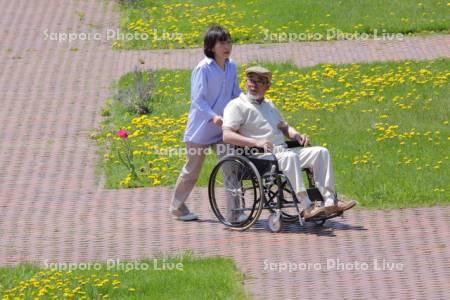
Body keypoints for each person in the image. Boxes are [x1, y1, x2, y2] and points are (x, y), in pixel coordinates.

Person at [222, 66, 356, 220]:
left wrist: (297, 136)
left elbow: (284, 127)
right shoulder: (236, 105)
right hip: (259, 156)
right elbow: (227, 135)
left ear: (267, 86)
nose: (253, 85)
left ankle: (330, 201)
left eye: (259, 82)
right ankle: (307, 206)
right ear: (245, 82)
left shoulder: (269, 105)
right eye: (251, 80)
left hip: (281, 152)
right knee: (289, 157)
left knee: (321, 152)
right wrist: (255, 142)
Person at [169, 25, 241, 221]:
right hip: (200, 130)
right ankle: (177, 207)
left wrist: (251, 105)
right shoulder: (203, 69)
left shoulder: (231, 65)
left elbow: (236, 93)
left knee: (231, 166)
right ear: (211, 47)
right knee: (192, 171)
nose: (227, 46)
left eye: (229, 42)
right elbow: (198, 100)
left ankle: (235, 213)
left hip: (222, 131)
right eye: (222, 43)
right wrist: (213, 116)